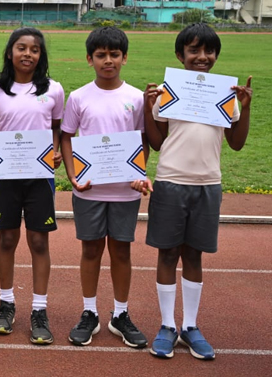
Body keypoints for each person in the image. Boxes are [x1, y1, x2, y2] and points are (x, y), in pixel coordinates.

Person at [144, 23, 252, 360]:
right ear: (180, 56)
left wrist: (244, 109)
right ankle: (166, 325)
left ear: (216, 56)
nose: (202, 57)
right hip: (170, 182)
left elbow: (236, 144)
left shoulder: (226, 95)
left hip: (207, 185)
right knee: (167, 254)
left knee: (194, 255)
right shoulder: (167, 91)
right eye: (194, 51)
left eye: (208, 51)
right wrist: (151, 108)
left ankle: (190, 326)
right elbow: (158, 143)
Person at [60, 26, 151, 349]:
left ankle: (121, 315)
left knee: (122, 251)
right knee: (90, 250)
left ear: (124, 58)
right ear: (89, 59)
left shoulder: (136, 97)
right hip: (89, 189)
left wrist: (140, 173)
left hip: (125, 190)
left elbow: (143, 140)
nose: (108, 60)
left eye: (114, 55)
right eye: (101, 55)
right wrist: (73, 176)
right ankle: (89, 312)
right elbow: (67, 137)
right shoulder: (79, 97)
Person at [0, 28, 64, 344]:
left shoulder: (53, 89)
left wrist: (55, 152)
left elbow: (56, 130)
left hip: (40, 178)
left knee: (39, 241)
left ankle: (40, 309)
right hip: (5, 177)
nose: (28, 54)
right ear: (10, 53)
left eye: (35, 49)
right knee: (8, 238)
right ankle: (6, 303)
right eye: (21, 48)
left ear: (41, 56)